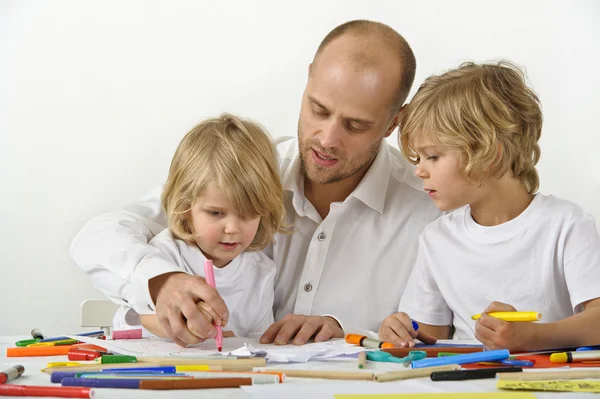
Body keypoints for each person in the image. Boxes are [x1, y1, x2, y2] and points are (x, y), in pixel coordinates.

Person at [70, 20, 440, 347]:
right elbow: (97, 238)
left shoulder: (430, 209)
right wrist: (161, 282)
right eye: (318, 110)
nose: (327, 139)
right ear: (308, 78)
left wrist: (349, 330)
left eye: (355, 125)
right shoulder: (247, 171)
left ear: (394, 122)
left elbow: (449, 333)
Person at [378, 61, 600, 352]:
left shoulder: (566, 224)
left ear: (489, 155)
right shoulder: (437, 238)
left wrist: (531, 338)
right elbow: (429, 337)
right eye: (417, 158)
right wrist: (401, 332)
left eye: (432, 156)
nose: (419, 171)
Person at [112, 113, 286, 340]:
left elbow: (258, 341)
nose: (232, 228)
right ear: (185, 206)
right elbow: (136, 315)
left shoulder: (261, 272)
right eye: (216, 213)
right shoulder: (164, 256)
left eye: (248, 214)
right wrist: (183, 325)